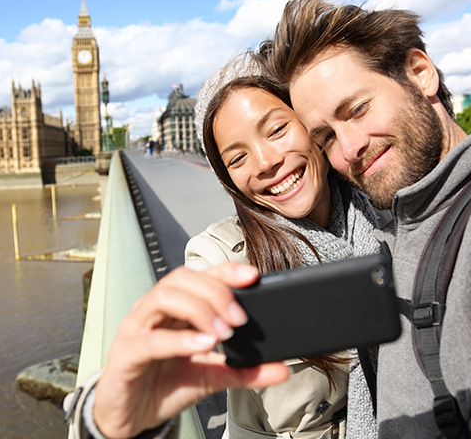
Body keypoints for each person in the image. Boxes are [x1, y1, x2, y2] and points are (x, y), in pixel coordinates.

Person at [265, 0, 471, 438]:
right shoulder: (387, 228)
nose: (349, 147)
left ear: (419, 73)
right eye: (326, 138)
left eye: (357, 110)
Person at [65, 51, 383, 439]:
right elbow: (169, 352)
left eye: (277, 130)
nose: (265, 162)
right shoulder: (221, 257)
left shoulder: (387, 209)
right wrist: (109, 413)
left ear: (311, 126)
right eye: (238, 157)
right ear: (229, 180)